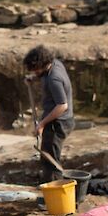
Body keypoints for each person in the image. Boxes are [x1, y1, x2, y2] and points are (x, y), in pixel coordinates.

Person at [24, 45, 74, 182]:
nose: (35, 71)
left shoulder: (54, 78)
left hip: (58, 123)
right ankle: (50, 185)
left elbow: (62, 105)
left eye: (35, 69)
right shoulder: (55, 64)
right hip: (58, 120)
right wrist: (34, 78)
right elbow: (43, 74)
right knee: (49, 155)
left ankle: (54, 190)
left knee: (50, 159)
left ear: (43, 64)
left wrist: (42, 124)